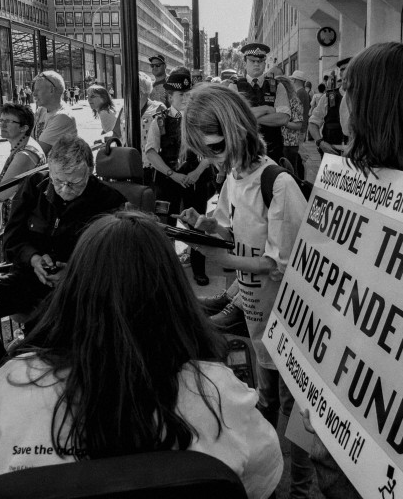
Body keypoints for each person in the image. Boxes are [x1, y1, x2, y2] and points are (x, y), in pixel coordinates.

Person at [0, 211, 283, 499]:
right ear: (174, 295)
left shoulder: (10, 388)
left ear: (74, 291)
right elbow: (262, 481)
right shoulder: (220, 393)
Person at [304, 41, 403, 499]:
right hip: (348, 365)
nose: (341, 105)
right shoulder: (364, 169)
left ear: (375, 101)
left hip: (390, 391)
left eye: (348, 94)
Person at [178, 84, 313, 499]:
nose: (209, 159)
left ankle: (303, 489)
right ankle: (268, 474)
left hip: (290, 317)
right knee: (267, 399)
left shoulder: (278, 183)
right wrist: (202, 225)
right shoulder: (235, 177)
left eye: (214, 148)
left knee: (298, 410)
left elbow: (282, 263)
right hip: (257, 312)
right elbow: (227, 229)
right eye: (203, 151)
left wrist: (224, 263)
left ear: (236, 130)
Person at [0, 136, 123, 328]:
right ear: (49, 170)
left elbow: (115, 260)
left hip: (81, 288)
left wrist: (72, 272)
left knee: (48, 325)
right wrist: (34, 258)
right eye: (58, 180)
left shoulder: (110, 201)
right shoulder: (34, 186)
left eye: (75, 182)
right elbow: (12, 238)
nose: (65, 189)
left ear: (90, 172)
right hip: (28, 277)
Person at [144, 70, 212, 286]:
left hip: (195, 181)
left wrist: (196, 172)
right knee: (166, 226)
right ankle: (167, 271)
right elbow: (151, 152)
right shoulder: (160, 121)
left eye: (187, 93)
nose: (184, 98)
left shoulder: (200, 121)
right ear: (170, 96)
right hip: (168, 182)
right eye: (179, 94)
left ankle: (199, 268)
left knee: (197, 225)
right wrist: (172, 175)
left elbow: (211, 151)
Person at [229, 42, 291, 163]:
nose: (256, 64)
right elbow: (234, 117)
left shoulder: (277, 86)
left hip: (273, 151)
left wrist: (246, 117)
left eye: (260, 61)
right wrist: (267, 108)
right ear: (245, 63)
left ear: (264, 63)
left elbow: (284, 118)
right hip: (245, 152)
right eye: (252, 61)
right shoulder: (235, 87)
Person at [0, 103, 46, 229]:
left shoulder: (25, 155)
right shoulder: (24, 146)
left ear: (24, 128)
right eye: (1, 120)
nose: (2, 125)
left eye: (9, 121)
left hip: (20, 224)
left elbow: (0, 194)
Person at [308, 57, 351, 155]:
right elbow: (313, 123)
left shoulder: (365, 98)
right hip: (333, 153)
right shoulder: (329, 97)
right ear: (340, 74)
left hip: (357, 157)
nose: (346, 72)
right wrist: (320, 142)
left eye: (350, 68)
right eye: (343, 69)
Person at [31, 70, 78, 156]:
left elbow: (37, 153)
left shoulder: (62, 117)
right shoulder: (42, 110)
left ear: (52, 90)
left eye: (37, 90)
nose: (34, 94)